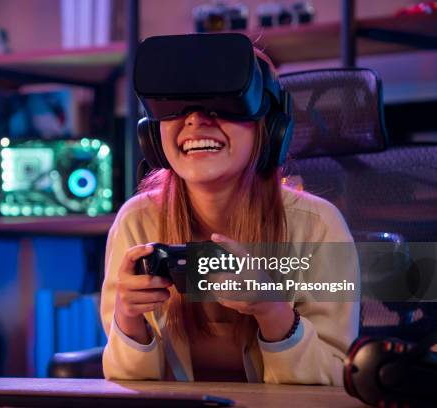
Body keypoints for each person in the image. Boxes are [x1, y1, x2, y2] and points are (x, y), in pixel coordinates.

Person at [100, 38, 359, 384]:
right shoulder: (137, 222)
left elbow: (336, 381)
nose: (195, 121)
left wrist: (272, 310)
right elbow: (127, 386)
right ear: (152, 134)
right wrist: (129, 322)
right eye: (176, 107)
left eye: (221, 103)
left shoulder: (319, 227)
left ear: (270, 128)